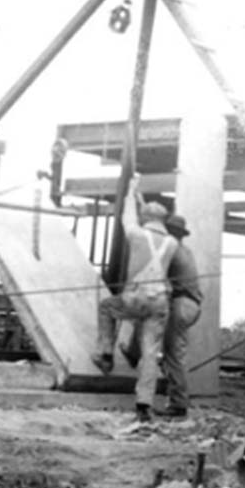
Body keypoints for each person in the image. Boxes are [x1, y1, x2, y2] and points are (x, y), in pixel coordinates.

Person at [92, 175, 177, 422]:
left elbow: (127, 217)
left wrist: (131, 191)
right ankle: (143, 405)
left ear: (145, 218)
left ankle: (106, 354)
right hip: (160, 301)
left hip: (136, 297)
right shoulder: (172, 243)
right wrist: (141, 200)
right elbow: (148, 220)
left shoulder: (137, 235)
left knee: (107, 308)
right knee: (151, 353)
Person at [122, 212, 202, 417]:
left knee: (173, 355)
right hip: (190, 305)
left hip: (181, 304)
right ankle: (134, 354)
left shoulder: (170, 248)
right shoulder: (185, 250)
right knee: (170, 349)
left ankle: (178, 404)